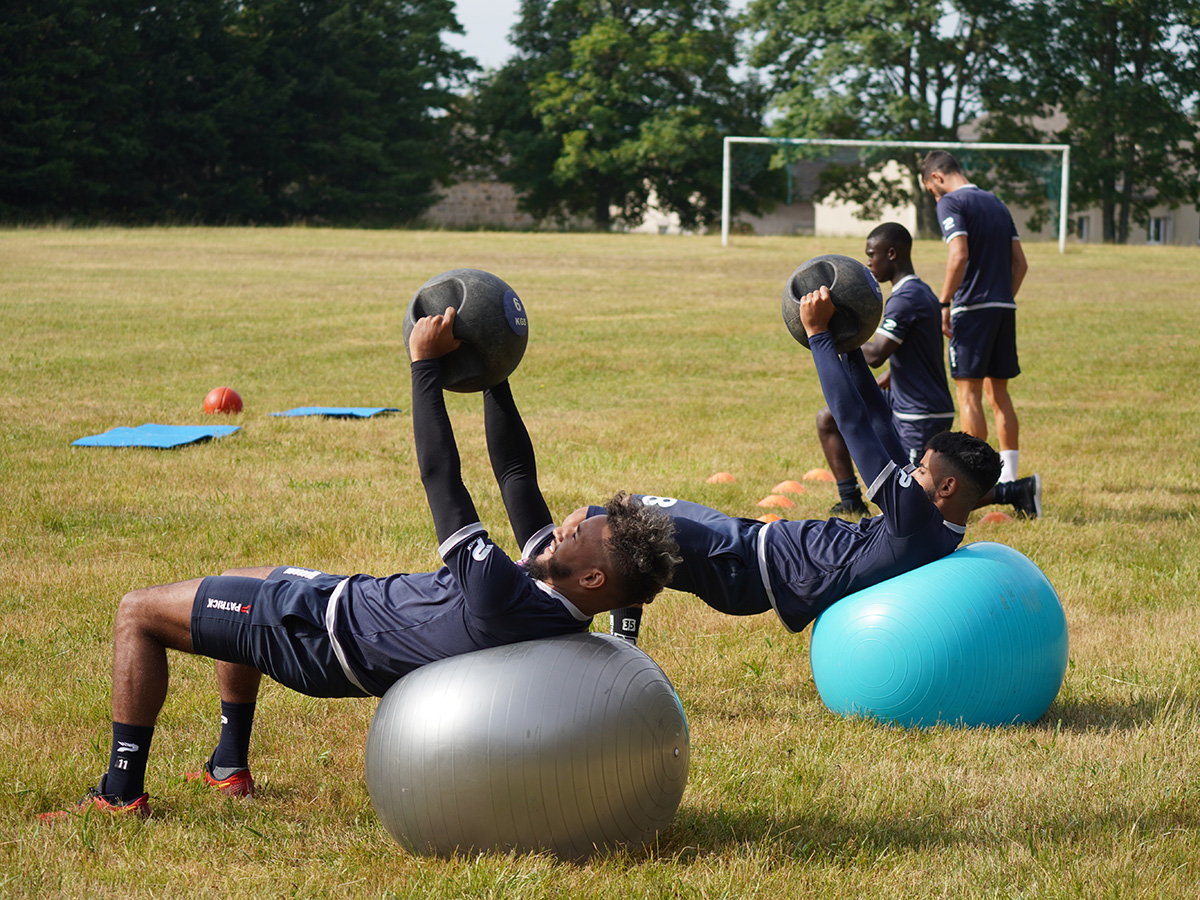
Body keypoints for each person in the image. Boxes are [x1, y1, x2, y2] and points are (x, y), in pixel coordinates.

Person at [41, 307, 680, 820]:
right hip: (336, 601)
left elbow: (441, 476)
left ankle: (120, 793)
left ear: (593, 577)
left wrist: (425, 368)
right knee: (244, 580)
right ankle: (227, 766)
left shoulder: (499, 594)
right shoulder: (555, 599)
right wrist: (493, 370)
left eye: (576, 534)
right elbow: (515, 473)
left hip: (316, 636)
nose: (563, 528)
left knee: (138, 612)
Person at [604, 286, 1002, 645]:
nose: (911, 470)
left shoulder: (915, 518)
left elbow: (852, 422)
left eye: (921, 470)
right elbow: (880, 419)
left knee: (608, 525)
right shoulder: (936, 524)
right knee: (633, 512)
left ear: (947, 487)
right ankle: (624, 639)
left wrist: (819, 338)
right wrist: (850, 344)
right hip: (749, 541)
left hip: (747, 568)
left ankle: (591, 631)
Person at [921, 150, 1041, 518]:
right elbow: (1020, 262)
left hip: (972, 310)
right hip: (1004, 307)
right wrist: (1002, 298)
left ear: (938, 178)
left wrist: (944, 303)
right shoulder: (996, 203)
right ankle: (1016, 484)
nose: (935, 199)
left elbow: (958, 254)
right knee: (998, 394)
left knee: (968, 393)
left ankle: (979, 487)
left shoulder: (952, 202)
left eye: (931, 192)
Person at [817, 222, 956, 517]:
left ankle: (1011, 491)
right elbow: (916, 354)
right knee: (828, 418)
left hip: (921, 412)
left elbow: (877, 352)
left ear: (891, 254)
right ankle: (850, 499)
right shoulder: (920, 292)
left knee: (919, 499)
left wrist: (829, 334)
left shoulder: (907, 299)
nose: (868, 262)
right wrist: (883, 382)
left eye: (872, 254)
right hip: (905, 400)